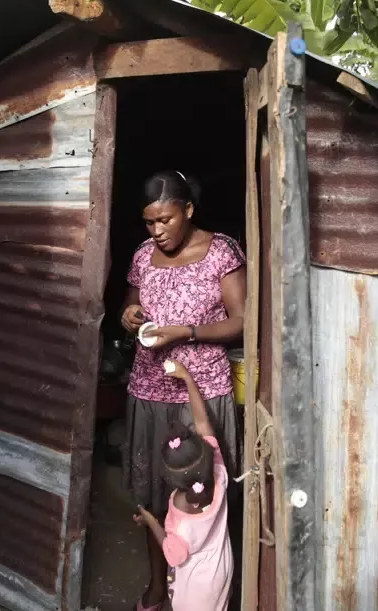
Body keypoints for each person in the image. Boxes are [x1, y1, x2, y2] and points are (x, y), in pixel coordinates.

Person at [120, 170, 245, 611]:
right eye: (149, 223)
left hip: (203, 391)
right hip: (149, 390)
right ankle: (159, 585)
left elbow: (240, 321)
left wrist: (185, 332)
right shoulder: (142, 254)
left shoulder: (220, 252)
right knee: (154, 496)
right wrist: (131, 314)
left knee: (205, 497)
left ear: (188, 210)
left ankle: (213, 587)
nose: (156, 232)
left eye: (165, 221)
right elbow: (130, 305)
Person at [135, 359, 233, 611]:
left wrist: (150, 520)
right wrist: (188, 378)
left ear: (170, 478)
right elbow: (202, 423)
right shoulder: (218, 472)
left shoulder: (181, 512)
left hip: (193, 594)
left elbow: (172, 553)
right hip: (220, 573)